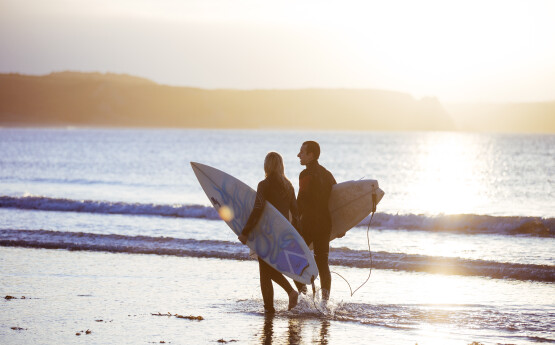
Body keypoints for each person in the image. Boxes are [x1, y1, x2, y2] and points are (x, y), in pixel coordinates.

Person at [238, 152, 300, 314]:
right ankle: (269, 308)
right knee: (265, 270)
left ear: (267, 166)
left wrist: (245, 232)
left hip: (266, 232)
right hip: (283, 233)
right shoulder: (289, 186)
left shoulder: (264, 185)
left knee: (265, 269)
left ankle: (290, 292)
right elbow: (296, 212)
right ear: (281, 166)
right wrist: (295, 236)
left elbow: (257, 209)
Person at [295, 141, 337, 301]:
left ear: (311, 155)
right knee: (322, 263)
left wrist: (291, 224)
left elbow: (301, 201)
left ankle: (304, 297)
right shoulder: (327, 174)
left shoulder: (305, 175)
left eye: (302, 152)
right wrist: (341, 226)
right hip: (325, 224)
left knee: (295, 259)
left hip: (309, 224)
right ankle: (324, 303)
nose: (299, 155)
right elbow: (336, 201)